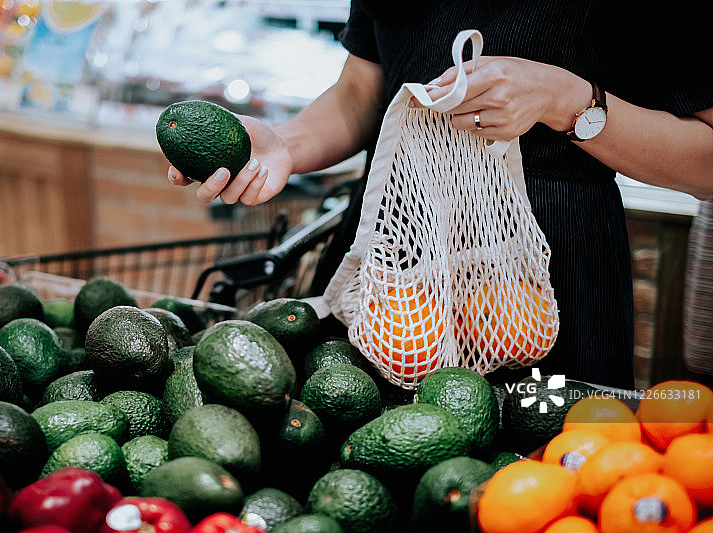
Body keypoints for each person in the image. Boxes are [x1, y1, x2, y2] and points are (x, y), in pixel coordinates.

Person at [168, 1, 713, 389]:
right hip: (387, 253)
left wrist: (569, 102)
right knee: (354, 470)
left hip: (550, 267)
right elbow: (362, 89)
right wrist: (284, 143)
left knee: (537, 491)